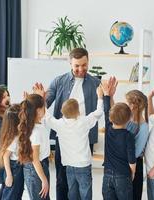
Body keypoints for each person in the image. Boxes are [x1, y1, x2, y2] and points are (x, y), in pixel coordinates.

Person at [45, 48, 101, 199]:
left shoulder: (96, 83)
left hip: (85, 136)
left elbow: (104, 107)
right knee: (62, 178)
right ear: (70, 63)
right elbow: (46, 101)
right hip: (64, 138)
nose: (81, 69)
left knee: (84, 180)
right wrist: (39, 99)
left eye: (84, 65)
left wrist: (109, 96)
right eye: (77, 66)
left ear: (88, 62)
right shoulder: (59, 81)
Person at [33, 82, 103, 200]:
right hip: (83, 165)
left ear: (62, 112)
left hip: (69, 166)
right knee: (85, 192)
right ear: (78, 112)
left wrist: (42, 98)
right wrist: (100, 97)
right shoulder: (84, 122)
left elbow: (46, 116)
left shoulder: (59, 124)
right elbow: (98, 113)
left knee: (72, 192)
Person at [100, 81, 136, 200]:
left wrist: (106, 94)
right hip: (123, 176)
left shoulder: (108, 128)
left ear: (110, 118)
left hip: (107, 175)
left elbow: (106, 110)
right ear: (129, 119)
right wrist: (133, 173)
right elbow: (131, 160)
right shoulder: (128, 135)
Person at [18, 94, 50, 200]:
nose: (45, 109)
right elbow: (35, 159)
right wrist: (44, 179)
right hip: (36, 169)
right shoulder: (36, 132)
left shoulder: (38, 124)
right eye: (44, 107)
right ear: (38, 111)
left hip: (40, 166)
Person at [125, 90, 149, 200]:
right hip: (126, 162)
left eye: (127, 102)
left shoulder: (143, 127)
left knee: (133, 195)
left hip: (133, 164)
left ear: (133, 106)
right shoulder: (129, 122)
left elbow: (137, 152)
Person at [0, 104, 24, 200]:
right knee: (11, 194)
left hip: (15, 167)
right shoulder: (14, 138)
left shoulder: (13, 134)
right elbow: (5, 156)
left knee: (14, 193)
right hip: (14, 168)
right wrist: (9, 175)